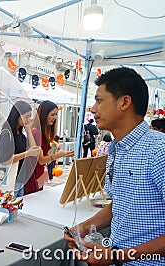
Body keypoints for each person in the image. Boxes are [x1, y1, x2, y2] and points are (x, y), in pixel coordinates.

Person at [64, 67, 165, 265]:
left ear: (124, 102)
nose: (93, 109)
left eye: (99, 100)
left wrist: (116, 256)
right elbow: (122, 203)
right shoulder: (115, 149)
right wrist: (85, 226)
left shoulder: (159, 151)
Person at [23, 101, 74, 195]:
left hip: (37, 174)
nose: (55, 118)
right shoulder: (36, 133)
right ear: (44, 114)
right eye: (52, 114)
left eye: (56, 114)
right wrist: (59, 155)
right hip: (32, 176)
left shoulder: (41, 132)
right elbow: (41, 160)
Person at [0, 101, 41, 197]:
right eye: (26, 117)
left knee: (17, 209)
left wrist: (28, 129)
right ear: (17, 115)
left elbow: (34, 150)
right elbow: (4, 160)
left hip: (20, 179)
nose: (29, 119)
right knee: (9, 210)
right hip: (9, 180)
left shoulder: (20, 134)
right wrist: (26, 153)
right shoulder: (7, 133)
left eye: (30, 116)